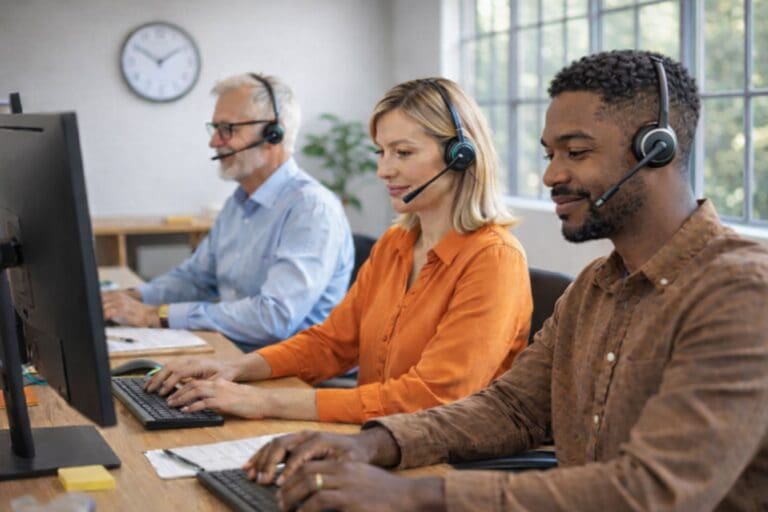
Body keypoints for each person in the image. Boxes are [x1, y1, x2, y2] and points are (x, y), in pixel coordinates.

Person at [245, 51, 768, 511]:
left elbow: (653, 492)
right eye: (550, 154)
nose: (550, 176)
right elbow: (511, 407)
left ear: (658, 151)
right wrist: (371, 444)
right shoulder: (595, 286)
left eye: (577, 152)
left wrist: (414, 496)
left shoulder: (738, 293)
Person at [145, 78, 533, 424]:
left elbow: (430, 398)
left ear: (460, 155)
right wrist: (232, 368)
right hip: (373, 439)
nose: (384, 170)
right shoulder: (396, 245)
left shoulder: (493, 259)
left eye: (403, 153)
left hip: (439, 462)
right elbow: (330, 343)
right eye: (381, 152)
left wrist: (265, 401)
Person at [102, 73, 354, 351]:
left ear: (273, 134)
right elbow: (196, 278)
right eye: (215, 129)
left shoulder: (311, 209)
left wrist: (155, 315)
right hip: (238, 352)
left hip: (291, 375)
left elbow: (273, 317)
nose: (214, 142)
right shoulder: (238, 202)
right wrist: (135, 296)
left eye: (228, 129)